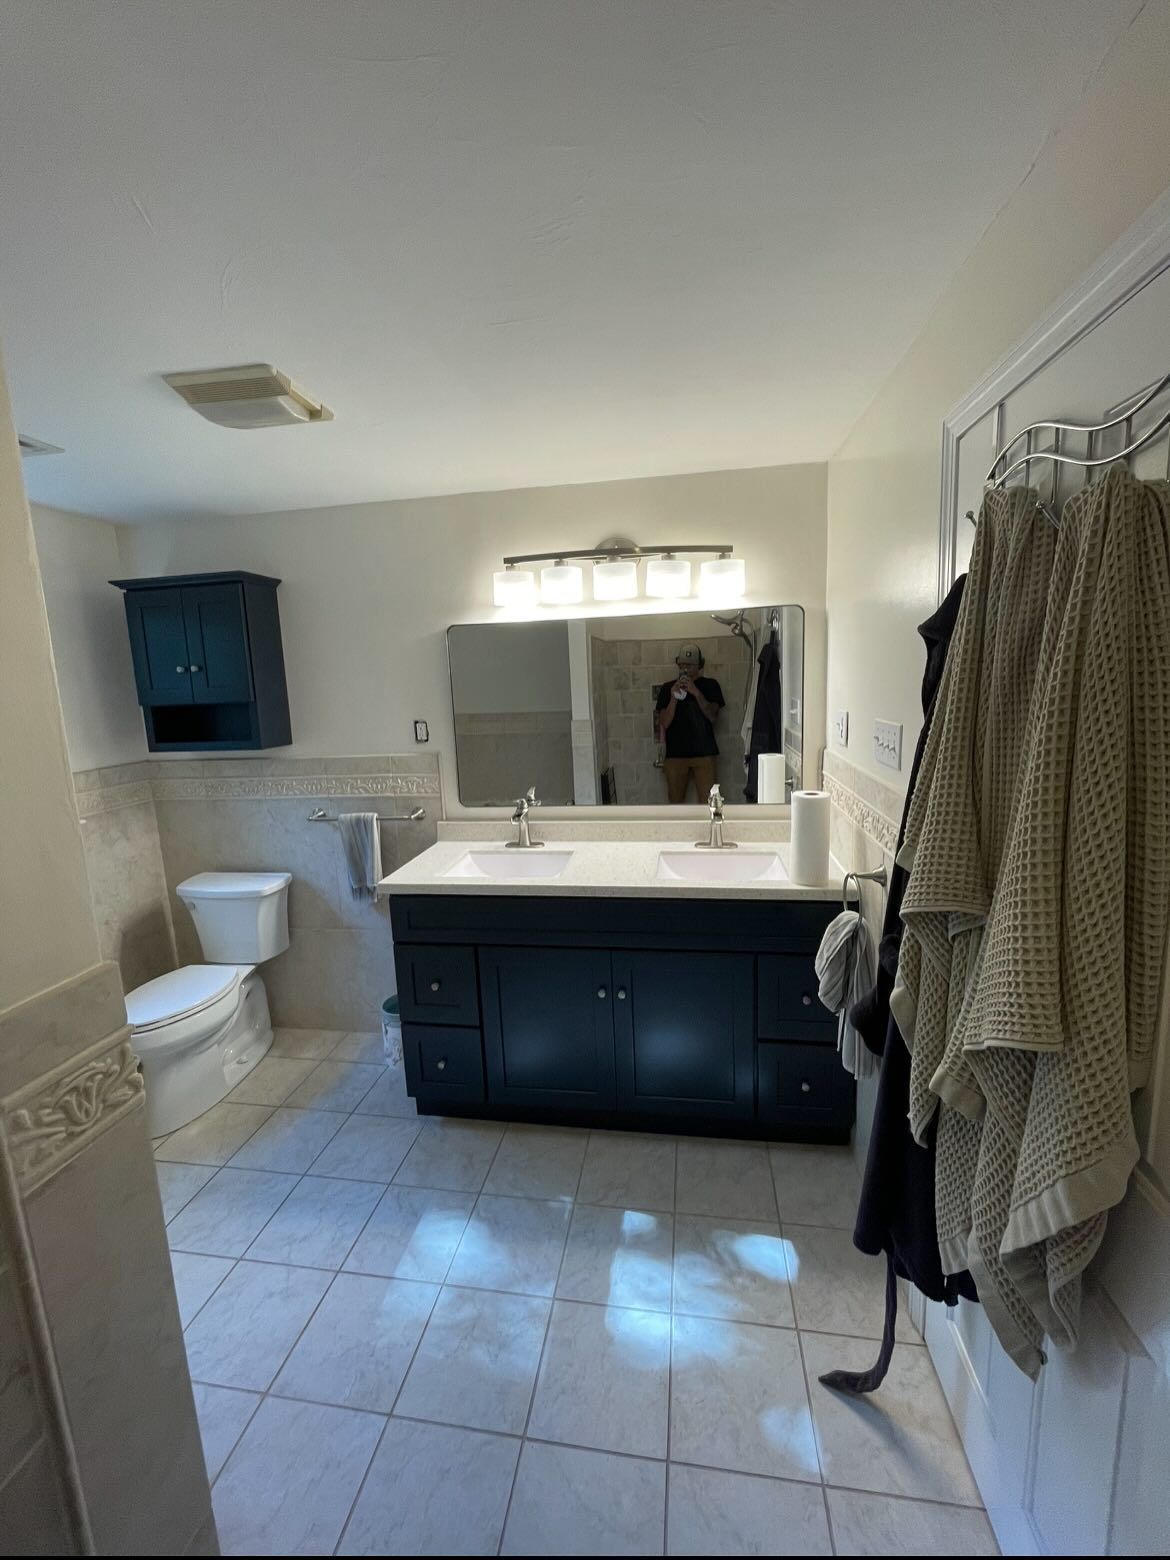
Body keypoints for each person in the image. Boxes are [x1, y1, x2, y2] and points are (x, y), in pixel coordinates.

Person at [655, 644, 725, 803]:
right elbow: (664, 723)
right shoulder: (668, 688)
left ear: (700, 665)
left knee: (710, 802)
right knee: (675, 804)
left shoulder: (711, 685)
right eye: (682, 665)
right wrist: (673, 698)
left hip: (705, 753)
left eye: (690, 665)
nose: (685, 669)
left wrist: (696, 692)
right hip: (675, 755)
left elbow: (713, 716)